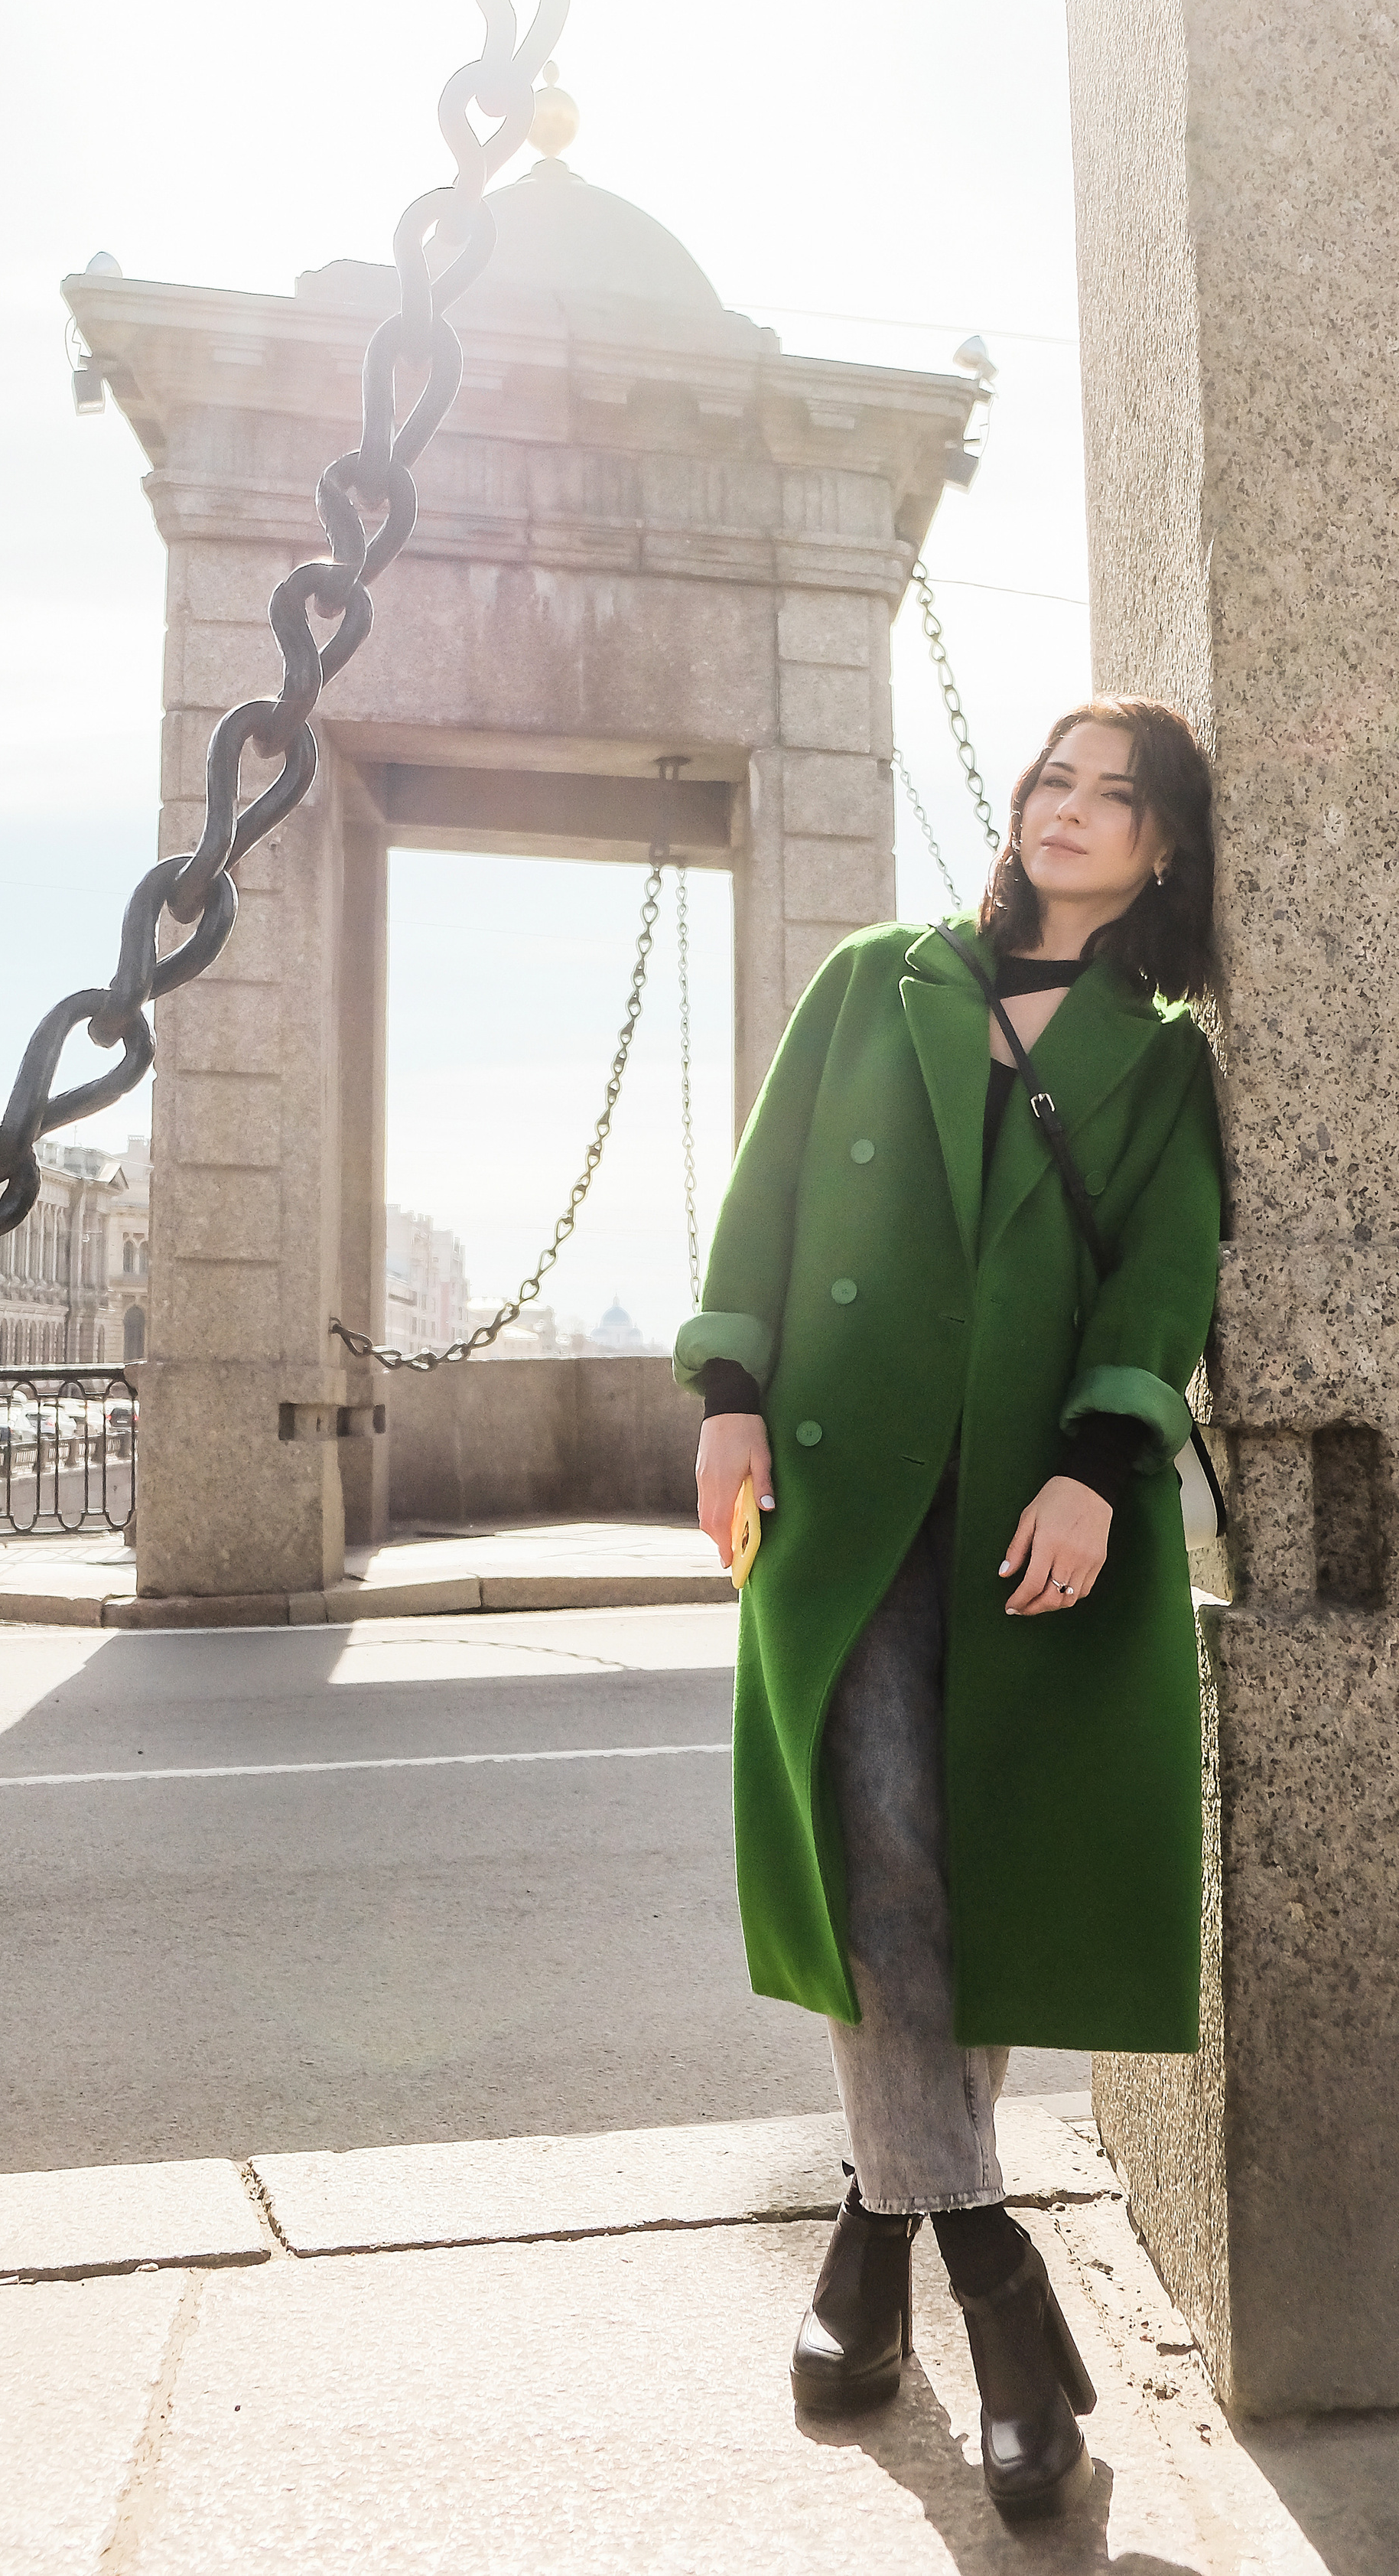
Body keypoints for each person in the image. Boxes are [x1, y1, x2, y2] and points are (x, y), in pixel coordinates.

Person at [675, 699, 1222, 2522]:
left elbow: (1160, 1278)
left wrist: (1095, 1458)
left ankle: (867, 2244)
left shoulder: (1158, 1054)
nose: (1069, 809)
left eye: (1116, 797)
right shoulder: (873, 978)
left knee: (957, 1879)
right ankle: (997, 2287)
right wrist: (726, 1388)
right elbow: (760, 1194)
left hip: (1026, 1508)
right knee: (883, 1848)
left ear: (1159, 850)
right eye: (1054, 779)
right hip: (843, 1491)